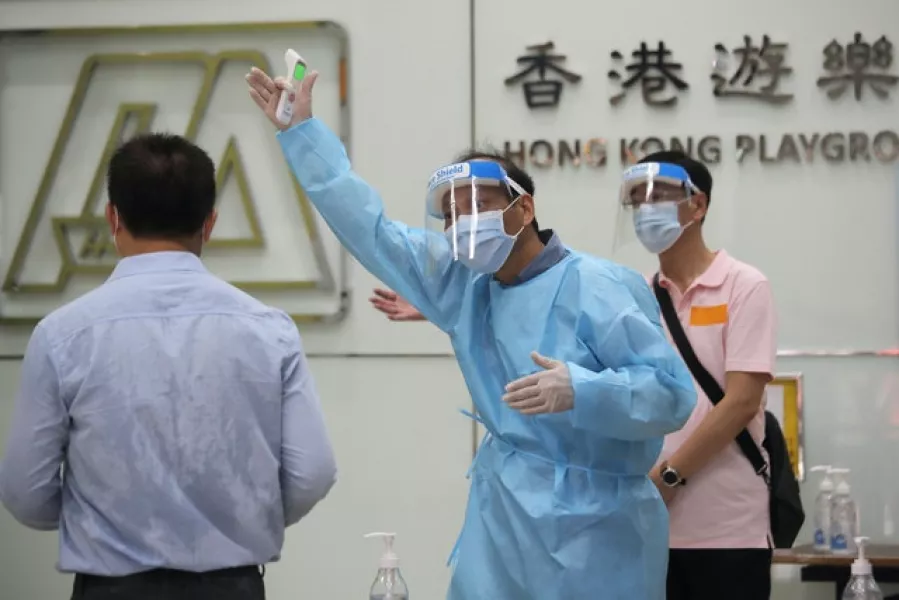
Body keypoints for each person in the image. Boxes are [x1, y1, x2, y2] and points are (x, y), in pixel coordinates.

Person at [246, 66, 696, 599]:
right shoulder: (465, 285)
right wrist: (302, 133)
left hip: (598, 536)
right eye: (452, 213)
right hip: (502, 523)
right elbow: (371, 230)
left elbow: (671, 396)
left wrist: (583, 389)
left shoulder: (599, 287)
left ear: (523, 206)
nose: (464, 223)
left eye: (478, 205)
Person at [0, 133, 337, 600]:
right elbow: (313, 472)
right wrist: (240, 514)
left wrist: (98, 517)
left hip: (109, 588)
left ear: (112, 218)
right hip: (232, 586)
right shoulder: (269, 330)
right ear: (210, 222)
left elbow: (24, 490)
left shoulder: (62, 335)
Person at [622, 151, 777, 600]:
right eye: (638, 199)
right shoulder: (637, 296)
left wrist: (670, 477)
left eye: (659, 196)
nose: (646, 208)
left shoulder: (744, 285)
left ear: (698, 205)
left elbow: (742, 401)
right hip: (649, 529)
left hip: (726, 532)